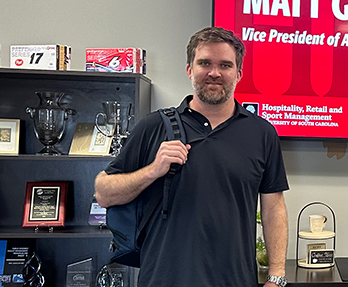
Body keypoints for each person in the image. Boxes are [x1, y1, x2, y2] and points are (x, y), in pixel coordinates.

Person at [94, 27, 289, 287]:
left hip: (235, 280)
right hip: (164, 280)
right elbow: (103, 193)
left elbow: (273, 207)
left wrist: (276, 276)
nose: (215, 73)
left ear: (238, 74)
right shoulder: (153, 127)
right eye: (205, 63)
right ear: (189, 69)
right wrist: (153, 170)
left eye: (225, 65)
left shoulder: (262, 133)